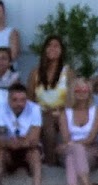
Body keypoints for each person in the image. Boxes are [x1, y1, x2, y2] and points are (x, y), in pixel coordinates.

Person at [0, 83, 43, 185]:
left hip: (27, 150)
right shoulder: (1, 109)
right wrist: (12, 142)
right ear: (8, 99)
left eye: (23, 100)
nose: (19, 104)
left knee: (35, 155)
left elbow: (34, 139)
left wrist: (17, 142)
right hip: (8, 150)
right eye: (15, 100)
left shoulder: (34, 109)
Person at [58, 78, 98, 185]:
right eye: (78, 90)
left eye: (85, 90)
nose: (82, 92)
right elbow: (66, 138)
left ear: (90, 92)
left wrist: (74, 144)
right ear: (72, 92)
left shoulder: (97, 111)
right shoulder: (65, 113)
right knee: (74, 151)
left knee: (72, 156)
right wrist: (73, 145)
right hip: (69, 148)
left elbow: (91, 138)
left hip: (91, 150)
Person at [27, 36, 72, 165]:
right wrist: (38, 112)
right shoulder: (35, 72)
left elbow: (72, 98)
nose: (52, 48)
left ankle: (60, 161)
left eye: (56, 46)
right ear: (45, 49)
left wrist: (61, 111)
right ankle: (50, 163)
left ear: (62, 51)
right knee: (48, 126)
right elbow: (30, 98)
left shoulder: (68, 72)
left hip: (62, 112)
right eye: (49, 45)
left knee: (55, 121)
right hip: (41, 112)